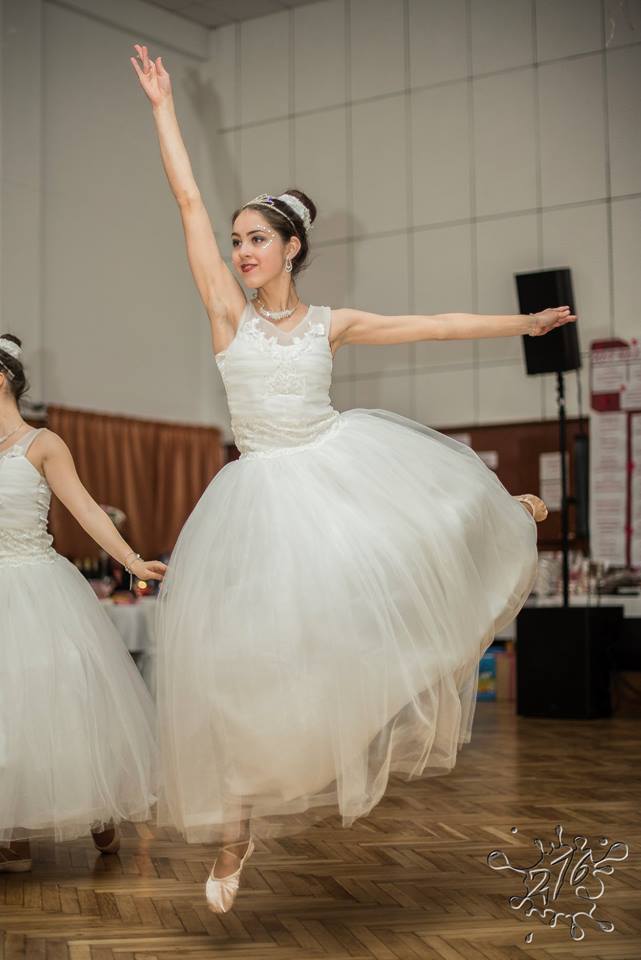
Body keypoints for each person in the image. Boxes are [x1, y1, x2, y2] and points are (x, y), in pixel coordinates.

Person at [131, 44, 572, 914]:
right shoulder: (226, 316)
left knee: (408, 557)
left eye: (256, 239)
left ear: (291, 247)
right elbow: (185, 199)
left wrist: (520, 324)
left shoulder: (329, 324)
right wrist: (161, 109)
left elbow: (430, 325)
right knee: (237, 669)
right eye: (236, 240)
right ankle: (234, 832)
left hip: (332, 472)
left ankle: (503, 509)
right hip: (257, 497)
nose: (241, 251)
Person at [0, 334, 166, 872]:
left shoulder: (42, 444)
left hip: (37, 587)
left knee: (54, 699)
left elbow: (88, 511)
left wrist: (133, 561)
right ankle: (13, 836)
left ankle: (99, 811)